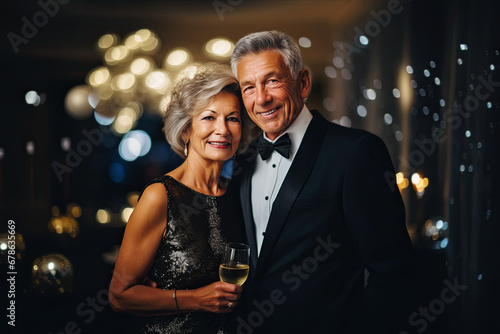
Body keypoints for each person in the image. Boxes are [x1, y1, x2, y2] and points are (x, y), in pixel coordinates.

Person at [228, 31, 416, 333]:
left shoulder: (355, 152)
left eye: (272, 80)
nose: (261, 98)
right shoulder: (241, 163)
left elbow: (392, 267)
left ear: (303, 82)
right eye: (248, 87)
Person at [108, 63, 251, 333]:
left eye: (232, 118)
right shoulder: (160, 195)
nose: (222, 129)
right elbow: (120, 296)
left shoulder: (240, 191)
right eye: (209, 117)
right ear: (186, 129)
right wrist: (197, 299)